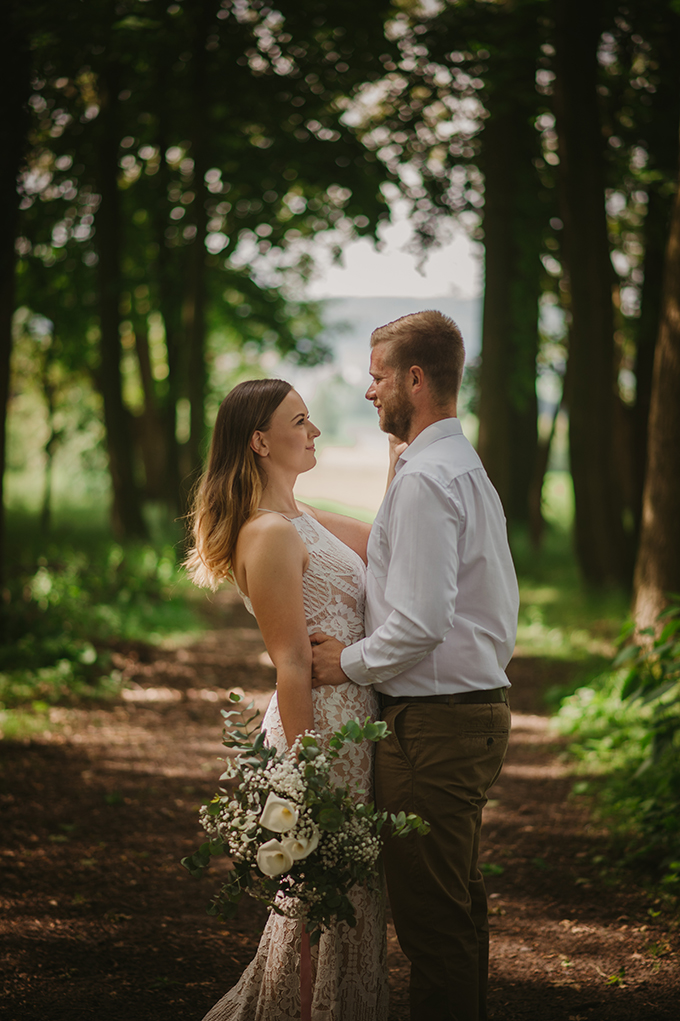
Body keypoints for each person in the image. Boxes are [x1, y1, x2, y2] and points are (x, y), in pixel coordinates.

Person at [311, 310, 519, 1021]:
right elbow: (409, 572)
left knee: (433, 929)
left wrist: (347, 662)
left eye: (377, 377)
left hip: (434, 729)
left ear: (415, 378)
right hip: (457, 720)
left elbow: (422, 621)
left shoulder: (431, 478)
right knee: (454, 917)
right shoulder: (455, 466)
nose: (370, 392)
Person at [184, 378, 388, 1021]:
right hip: (322, 732)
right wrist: (305, 786)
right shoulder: (267, 534)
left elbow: (389, 536)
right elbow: (292, 664)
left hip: (357, 719)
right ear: (259, 441)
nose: (315, 431)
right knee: (322, 906)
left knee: (355, 908)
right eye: (301, 421)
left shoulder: (305, 517)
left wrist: (397, 442)